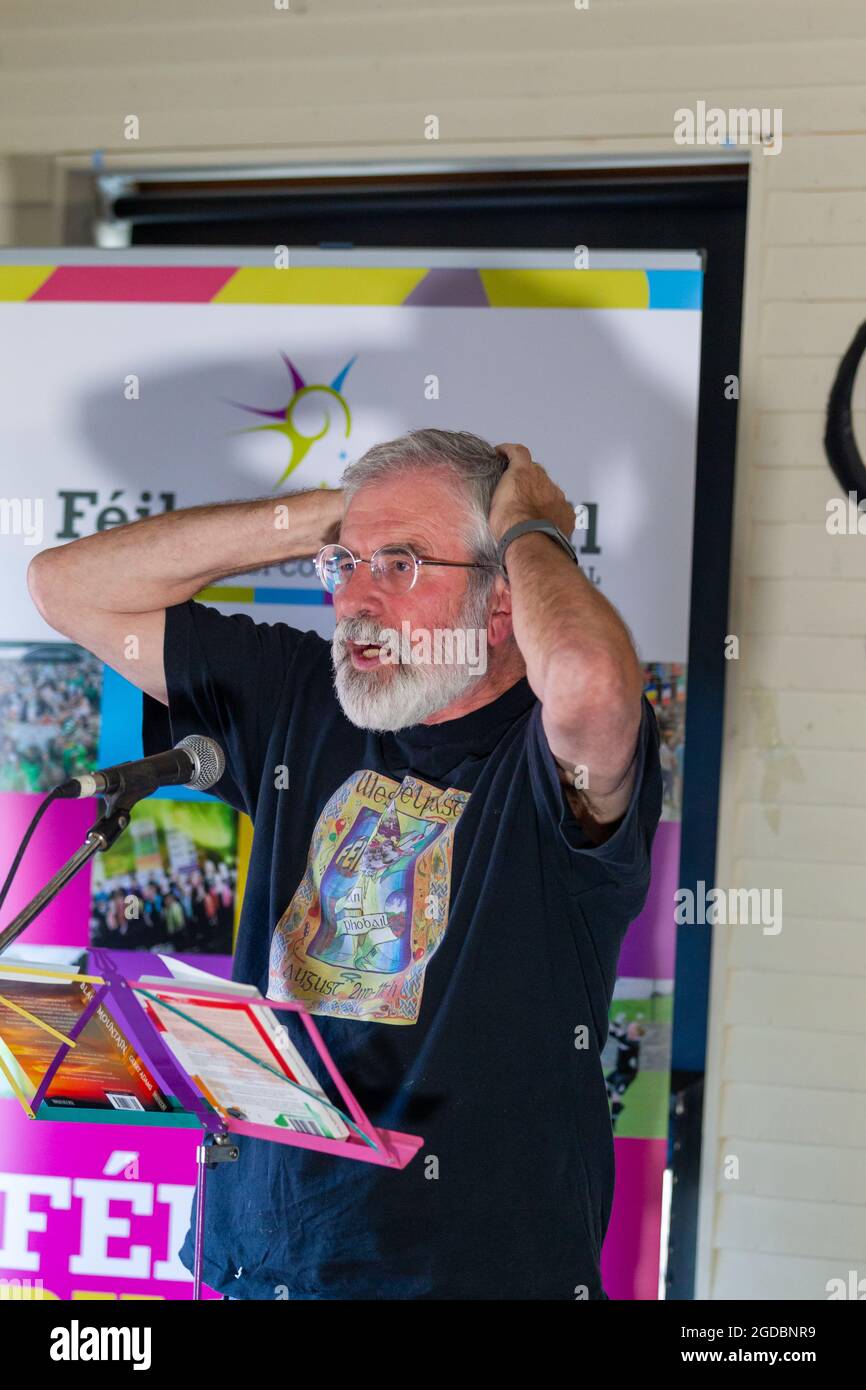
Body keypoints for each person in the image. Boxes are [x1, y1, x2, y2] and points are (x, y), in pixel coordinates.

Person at [28, 428, 662, 1301]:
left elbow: (590, 678)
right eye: (344, 568)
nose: (353, 600)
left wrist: (529, 530)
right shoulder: (303, 694)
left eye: (399, 565)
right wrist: (335, 519)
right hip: (261, 1263)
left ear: (502, 602)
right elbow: (64, 588)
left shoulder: (545, 759)